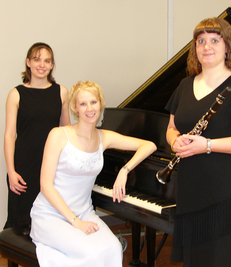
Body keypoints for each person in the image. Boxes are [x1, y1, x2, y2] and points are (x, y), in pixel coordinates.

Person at [165, 17, 231, 267]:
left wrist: (208, 145)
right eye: (201, 41)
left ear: (227, 47)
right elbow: (171, 128)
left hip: (227, 192)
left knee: (224, 258)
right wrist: (174, 142)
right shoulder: (184, 85)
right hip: (192, 189)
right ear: (195, 49)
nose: (206, 46)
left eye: (214, 40)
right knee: (197, 259)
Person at [30, 81, 157, 267]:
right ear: (75, 108)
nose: (89, 108)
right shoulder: (58, 135)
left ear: (100, 103)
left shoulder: (104, 137)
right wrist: (75, 222)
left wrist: (124, 170)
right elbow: (45, 186)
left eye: (93, 102)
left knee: (114, 247)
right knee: (91, 254)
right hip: (51, 214)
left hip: (84, 212)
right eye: (83, 104)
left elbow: (149, 145)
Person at [4, 42, 70, 235]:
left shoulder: (61, 92)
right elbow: (9, 135)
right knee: (21, 223)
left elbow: (66, 131)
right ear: (28, 63)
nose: (42, 64)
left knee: (49, 221)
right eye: (37, 59)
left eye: (47, 60)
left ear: (51, 65)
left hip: (52, 165)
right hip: (24, 166)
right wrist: (11, 171)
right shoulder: (16, 94)